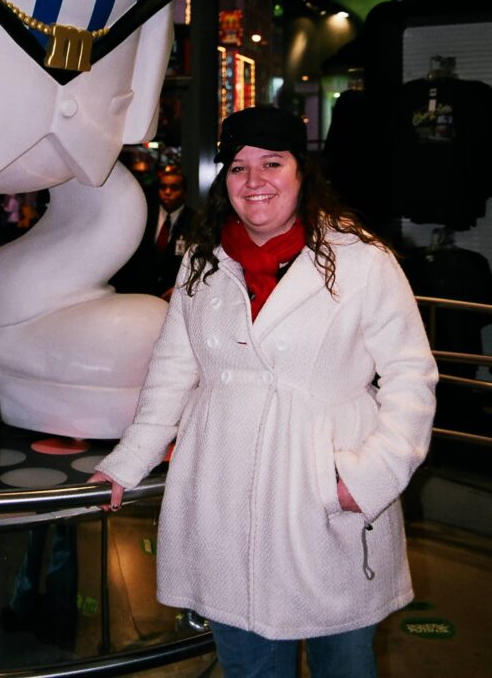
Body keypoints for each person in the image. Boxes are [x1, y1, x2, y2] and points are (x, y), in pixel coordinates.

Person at [90, 104, 438, 678]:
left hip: (324, 493)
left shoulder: (361, 261)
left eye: (271, 163)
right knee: (250, 667)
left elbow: (411, 375)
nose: (254, 182)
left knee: (344, 664)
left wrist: (367, 476)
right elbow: (173, 370)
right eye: (238, 167)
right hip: (224, 496)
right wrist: (128, 461)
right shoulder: (204, 263)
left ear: (302, 173)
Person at [110, 164, 195, 300]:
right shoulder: (143, 215)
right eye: (163, 187)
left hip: (174, 296)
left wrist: (182, 288)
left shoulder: (195, 222)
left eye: (174, 188)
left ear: (184, 193)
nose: (167, 192)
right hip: (141, 294)